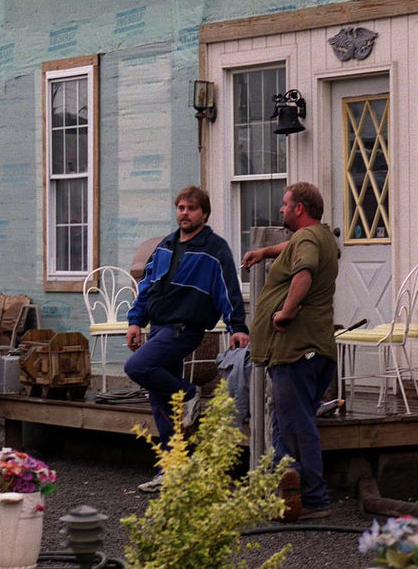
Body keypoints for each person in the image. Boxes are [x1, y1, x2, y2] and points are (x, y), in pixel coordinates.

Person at [125, 186, 248, 493]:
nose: (185, 213)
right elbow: (148, 287)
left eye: (191, 208)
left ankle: (189, 390)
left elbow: (228, 289)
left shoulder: (214, 249)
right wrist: (135, 321)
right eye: (181, 207)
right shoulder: (166, 245)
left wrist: (237, 327)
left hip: (184, 329)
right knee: (161, 400)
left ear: (204, 214)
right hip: (159, 327)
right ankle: (172, 470)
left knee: (137, 367)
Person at [241, 181, 338, 521]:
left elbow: (305, 269)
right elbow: (298, 247)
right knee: (284, 424)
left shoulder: (308, 241)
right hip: (312, 349)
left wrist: (285, 309)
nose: (280, 209)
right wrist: (265, 252)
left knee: (297, 427)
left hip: (297, 350)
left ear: (299, 209)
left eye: (285, 204)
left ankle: (313, 498)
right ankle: (287, 494)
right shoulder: (319, 235)